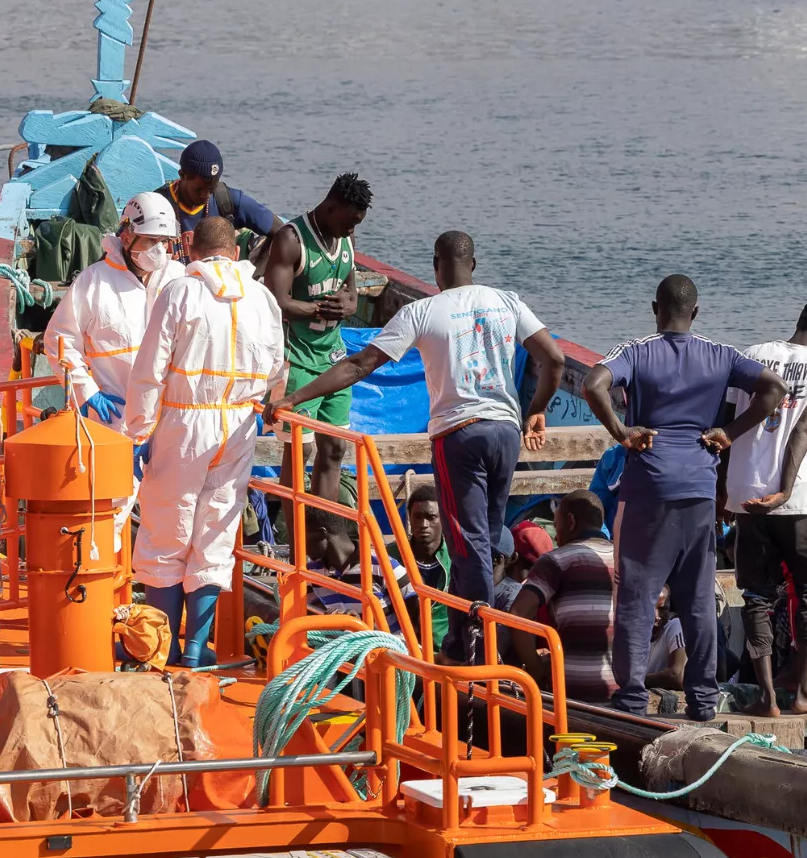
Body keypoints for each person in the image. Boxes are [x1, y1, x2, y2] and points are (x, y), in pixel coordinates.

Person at [268, 231, 568, 660]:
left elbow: (358, 363)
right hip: (505, 431)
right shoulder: (507, 301)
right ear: (474, 265)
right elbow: (554, 360)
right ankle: (475, 634)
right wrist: (536, 409)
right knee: (488, 535)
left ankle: (473, 644)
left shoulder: (423, 311)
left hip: (459, 433)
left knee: (468, 542)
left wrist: (296, 397)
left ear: (435, 266)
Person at [582, 274, 785, 721]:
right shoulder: (720, 354)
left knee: (637, 596)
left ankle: (633, 698)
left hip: (648, 489)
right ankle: (704, 701)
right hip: (698, 487)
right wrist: (729, 433)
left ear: (656, 308)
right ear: (695, 313)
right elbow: (775, 389)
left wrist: (622, 432)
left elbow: (593, 384)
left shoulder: (636, 351)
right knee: (696, 601)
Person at [126, 216, 285, 667]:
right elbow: (277, 366)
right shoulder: (262, 298)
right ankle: (196, 648)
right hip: (238, 425)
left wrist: (137, 432)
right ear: (236, 253)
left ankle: (162, 646)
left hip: (183, 422)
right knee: (215, 529)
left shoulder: (180, 291)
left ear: (190, 249)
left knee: (164, 528)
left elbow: (150, 369)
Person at [723, 299, 807, 716]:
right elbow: (802, 433)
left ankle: (767, 698)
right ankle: (805, 692)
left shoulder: (752, 355)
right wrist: (784, 489)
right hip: (795, 497)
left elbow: (727, 420)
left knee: (757, 596)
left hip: (743, 493)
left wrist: (726, 490)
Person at [262, 173, 371, 492]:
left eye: (358, 224)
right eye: (350, 221)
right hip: (297, 361)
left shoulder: (347, 238)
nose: (353, 230)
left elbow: (352, 294)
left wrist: (348, 308)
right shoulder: (291, 239)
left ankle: (326, 530)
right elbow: (277, 302)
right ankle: (296, 537)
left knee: (335, 449)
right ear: (331, 207)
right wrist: (320, 308)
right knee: (300, 451)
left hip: (334, 359)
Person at [45, 191, 184, 425]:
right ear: (128, 237)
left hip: (169, 419)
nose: (159, 249)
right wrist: (86, 390)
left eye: (164, 241)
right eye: (151, 240)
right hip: (114, 417)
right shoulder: (94, 282)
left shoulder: (179, 278)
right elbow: (59, 339)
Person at [507, 491, 618, 704]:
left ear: (571, 521)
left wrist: (537, 671)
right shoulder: (624, 559)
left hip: (573, 695)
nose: (556, 538)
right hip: (626, 691)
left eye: (556, 527)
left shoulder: (556, 561)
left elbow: (516, 618)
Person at [155, 140, 279, 259]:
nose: (206, 195)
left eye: (211, 189)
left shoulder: (225, 199)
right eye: (199, 190)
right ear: (182, 175)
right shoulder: (156, 204)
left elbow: (283, 231)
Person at [403, 484, 452, 651]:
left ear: (443, 518)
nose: (423, 524)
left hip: (445, 651)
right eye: (417, 517)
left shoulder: (456, 558)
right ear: (409, 518)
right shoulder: (392, 556)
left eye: (431, 517)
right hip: (403, 649)